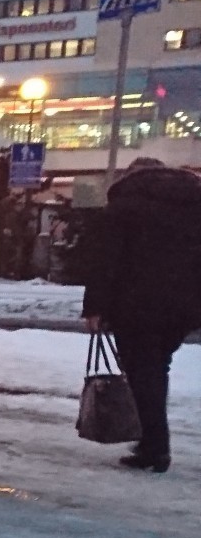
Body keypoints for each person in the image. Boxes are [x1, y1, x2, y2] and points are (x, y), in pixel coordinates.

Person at [81, 157, 201, 473]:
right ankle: (151, 442)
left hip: (136, 303)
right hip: (184, 307)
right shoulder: (193, 207)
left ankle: (155, 446)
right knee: (154, 367)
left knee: (144, 371)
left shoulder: (124, 208)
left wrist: (95, 307)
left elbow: (106, 260)